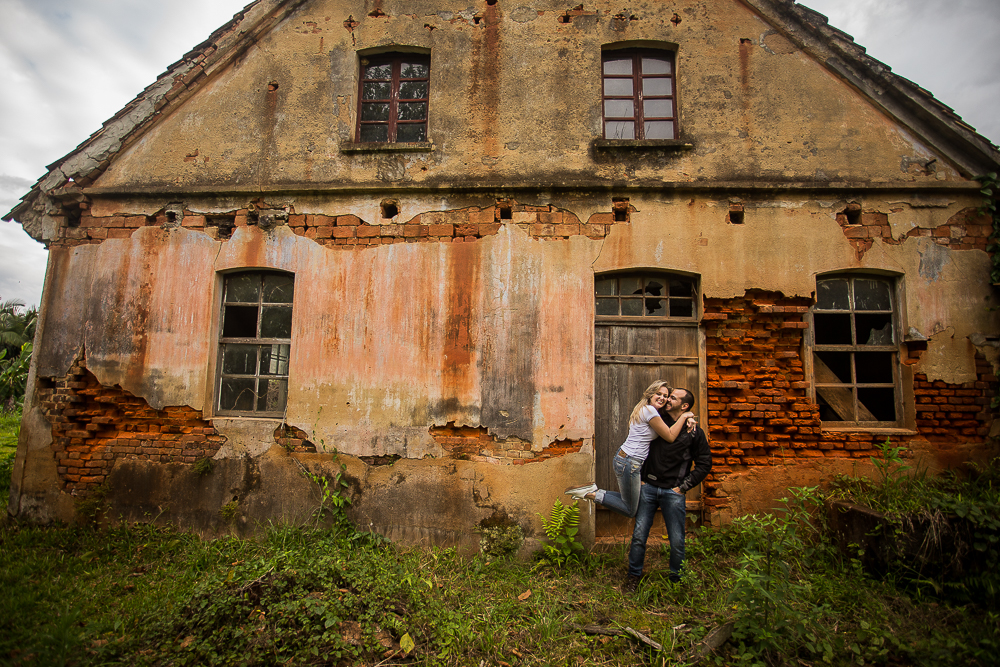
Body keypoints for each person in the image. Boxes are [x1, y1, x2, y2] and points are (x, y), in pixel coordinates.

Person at [564, 381, 695, 518]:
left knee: (629, 502)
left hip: (626, 459)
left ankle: (592, 491)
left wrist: (689, 417)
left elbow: (671, 421)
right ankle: (590, 493)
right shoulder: (650, 411)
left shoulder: (647, 409)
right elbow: (669, 436)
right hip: (630, 461)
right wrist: (685, 416)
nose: (663, 398)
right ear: (650, 394)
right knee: (630, 509)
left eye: (666, 395)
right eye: (658, 394)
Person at [625, 387, 712, 590]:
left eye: (673, 398)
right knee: (639, 536)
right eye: (668, 396)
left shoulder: (693, 432)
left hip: (673, 491)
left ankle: (676, 582)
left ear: (684, 406)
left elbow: (704, 463)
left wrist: (683, 487)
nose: (667, 400)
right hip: (648, 487)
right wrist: (643, 479)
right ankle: (633, 578)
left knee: (677, 540)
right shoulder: (657, 420)